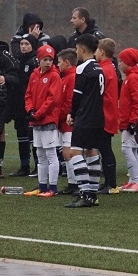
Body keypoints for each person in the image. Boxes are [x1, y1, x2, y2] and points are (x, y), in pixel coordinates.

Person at [63, 34, 106, 208]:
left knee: (75, 153)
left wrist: (72, 114)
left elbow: (77, 96)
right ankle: (93, 195)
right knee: (92, 151)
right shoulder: (99, 67)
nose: (76, 52)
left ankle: (85, 193)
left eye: (76, 49)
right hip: (98, 117)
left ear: (82, 49)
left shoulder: (82, 68)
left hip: (85, 116)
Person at [23, 45, 61, 196]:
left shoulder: (54, 76)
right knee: (40, 154)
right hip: (36, 120)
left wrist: (38, 113)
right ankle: (42, 185)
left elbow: (53, 99)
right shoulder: (34, 75)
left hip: (48, 120)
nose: (48, 63)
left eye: (50, 60)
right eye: (45, 59)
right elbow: (28, 95)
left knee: (51, 154)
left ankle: (53, 187)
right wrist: (30, 110)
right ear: (39, 59)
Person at [8, 34, 39, 177]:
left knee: (33, 136)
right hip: (18, 104)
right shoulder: (17, 60)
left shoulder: (35, 61)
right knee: (21, 135)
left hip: (31, 104)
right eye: (21, 44)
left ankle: (38, 166)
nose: (23, 47)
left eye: (27, 44)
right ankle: (24, 166)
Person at [117, 48, 138, 193]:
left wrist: (133, 121)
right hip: (128, 119)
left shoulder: (133, 77)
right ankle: (133, 181)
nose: (119, 64)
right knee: (132, 148)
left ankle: (135, 181)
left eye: (121, 61)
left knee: (126, 148)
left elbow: (137, 100)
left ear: (128, 62)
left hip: (130, 120)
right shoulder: (130, 76)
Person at [95, 38, 120, 194]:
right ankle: (109, 183)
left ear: (102, 52)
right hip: (108, 113)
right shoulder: (110, 67)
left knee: (105, 149)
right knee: (105, 148)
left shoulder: (104, 69)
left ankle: (111, 184)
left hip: (105, 114)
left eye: (97, 50)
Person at [57, 48, 79, 195]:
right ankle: (72, 183)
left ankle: (76, 183)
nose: (57, 65)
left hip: (69, 122)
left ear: (66, 62)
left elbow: (70, 102)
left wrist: (58, 115)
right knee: (66, 153)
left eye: (59, 62)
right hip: (64, 121)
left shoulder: (72, 78)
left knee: (69, 152)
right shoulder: (65, 77)